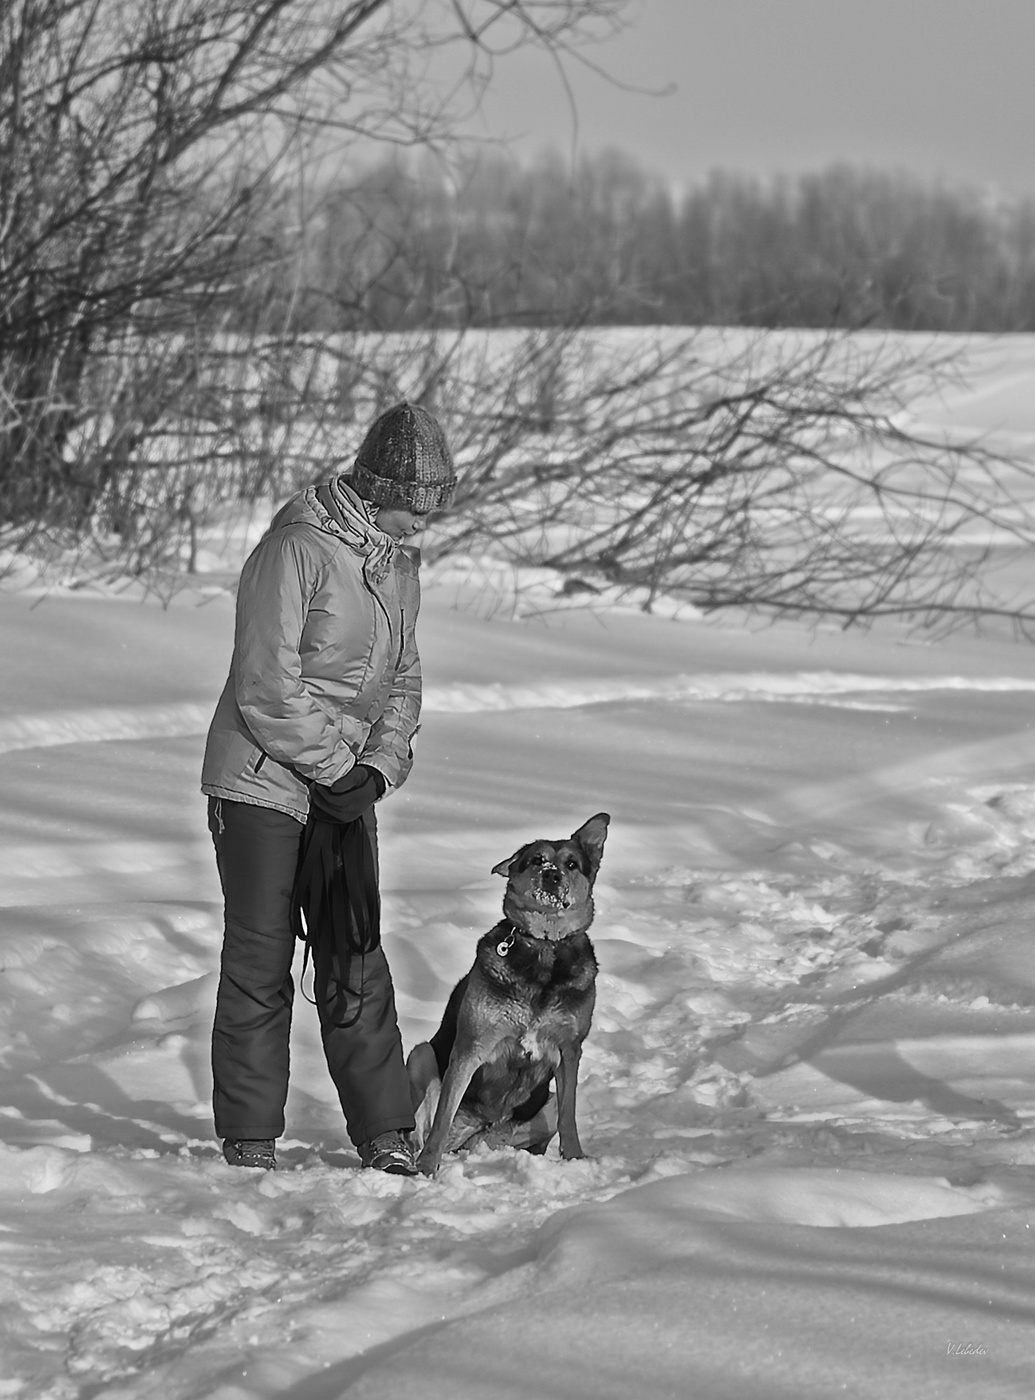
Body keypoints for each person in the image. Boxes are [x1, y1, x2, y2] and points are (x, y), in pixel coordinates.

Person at [201, 401, 457, 1174]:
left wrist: (377, 769)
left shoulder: (397, 566)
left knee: (355, 951)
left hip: (345, 785)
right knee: (260, 955)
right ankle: (249, 1137)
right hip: (261, 782)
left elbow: (403, 681)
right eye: (414, 506)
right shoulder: (294, 551)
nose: (423, 523)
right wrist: (337, 768)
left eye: (432, 507)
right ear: (376, 491)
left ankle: (384, 1133)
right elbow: (263, 684)